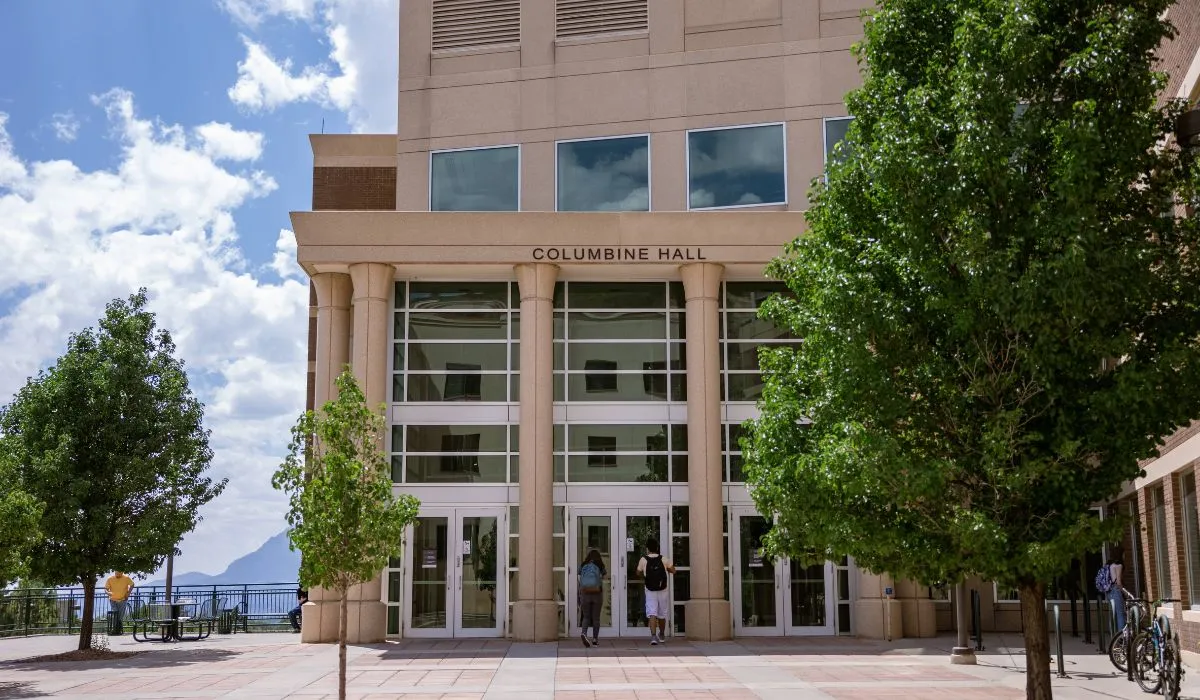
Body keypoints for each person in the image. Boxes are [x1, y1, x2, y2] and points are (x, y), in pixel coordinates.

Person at [636, 538, 675, 645]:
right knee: (662, 614)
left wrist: (646, 575)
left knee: (652, 613)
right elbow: (673, 571)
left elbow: (638, 572)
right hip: (663, 589)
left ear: (647, 548)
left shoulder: (643, 559)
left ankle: (653, 637)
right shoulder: (664, 559)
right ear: (657, 548)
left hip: (650, 590)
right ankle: (661, 635)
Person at [578, 548, 606, 648]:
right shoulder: (600, 565)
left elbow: (579, 578)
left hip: (585, 593)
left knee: (586, 616)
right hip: (597, 593)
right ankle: (595, 639)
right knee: (596, 618)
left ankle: (584, 633)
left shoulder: (583, 565)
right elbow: (603, 577)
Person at [1107, 552, 1126, 631]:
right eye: (1124, 554)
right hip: (1116, 590)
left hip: (1109, 591)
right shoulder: (1119, 566)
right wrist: (1124, 591)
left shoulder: (1111, 565)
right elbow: (1118, 581)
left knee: (1113, 615)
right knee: (1120, 614)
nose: (1124, 556)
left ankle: (1114, 636)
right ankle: (1121, 637)